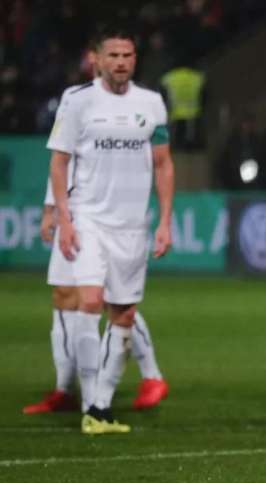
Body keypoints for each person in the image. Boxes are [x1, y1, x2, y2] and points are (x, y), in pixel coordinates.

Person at [48, 27, 174, 434]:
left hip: (133, 226)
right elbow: (59, 163)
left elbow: (163, 164)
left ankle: (100, 405)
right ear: (96, 59)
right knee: (89, 301)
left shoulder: (152, 103)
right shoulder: (78, 101)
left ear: (135, 60)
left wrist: (166, 221)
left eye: (128, 55)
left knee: (124, 313)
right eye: (113, 55)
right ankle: (88, 401)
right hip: (89, 219)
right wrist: (64, 218)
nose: (121, 62)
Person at [24, 180, 170, 414]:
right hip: (71, 208)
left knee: (106, 299)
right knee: (64, 295)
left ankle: (151, 376)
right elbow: (61, 161)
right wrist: (50, 209)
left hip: (100, 211)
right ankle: (64, 389)